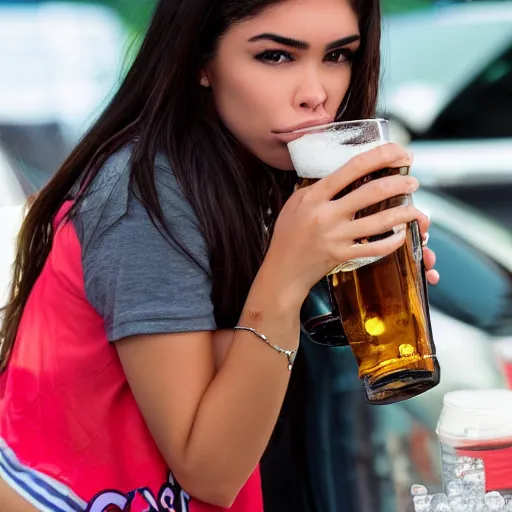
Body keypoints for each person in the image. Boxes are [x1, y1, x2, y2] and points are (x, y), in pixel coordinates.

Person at [0, 0, 439, 510]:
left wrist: (343, 282)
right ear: (200, 63)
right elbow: (209, 470)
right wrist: (285, 277)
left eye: (338, 55)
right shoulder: (146, 195)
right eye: (276, 56)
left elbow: (217, 364)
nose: (316, 94)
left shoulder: (253, 168)